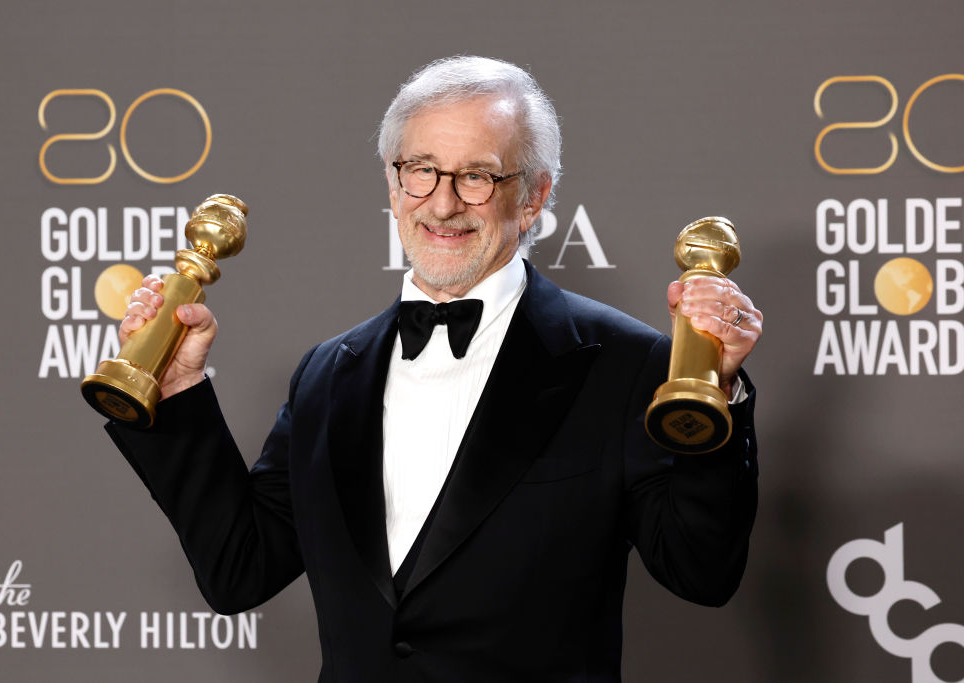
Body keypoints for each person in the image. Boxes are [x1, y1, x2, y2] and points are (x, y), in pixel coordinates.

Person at [106, 56, 762, 682]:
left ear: (534, 196)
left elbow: (700, 571)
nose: (442, 204)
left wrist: (715, 397)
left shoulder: (623, 362)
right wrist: (179, 392)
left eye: (477, 176)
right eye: (420, 169)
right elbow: (238, 568)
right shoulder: (327, 376)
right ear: (393, 184)